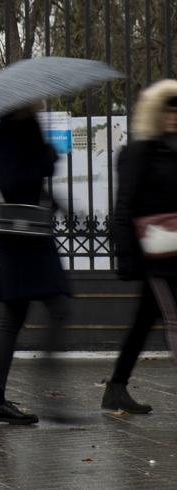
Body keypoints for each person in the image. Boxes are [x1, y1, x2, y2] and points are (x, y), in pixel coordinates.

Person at [0, 103, 71, 426]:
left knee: (15, 317)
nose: (43, 102)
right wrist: (47, 158)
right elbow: (16, 182)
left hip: (31, 235)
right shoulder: (5, 132)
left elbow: (35, 186)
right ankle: (37, 384)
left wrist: (61, 205)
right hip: (22, 239)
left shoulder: (27, 126)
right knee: (51, 308)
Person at [106, 80, 177, 413]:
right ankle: (116, 388)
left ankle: (116, 388)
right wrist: (127, 256)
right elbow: (123, 209)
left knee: (144, 320)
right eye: (168, 110)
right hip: (154, 254)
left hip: (174, 250)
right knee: (173, 317)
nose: (173, 117)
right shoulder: (137, 153)